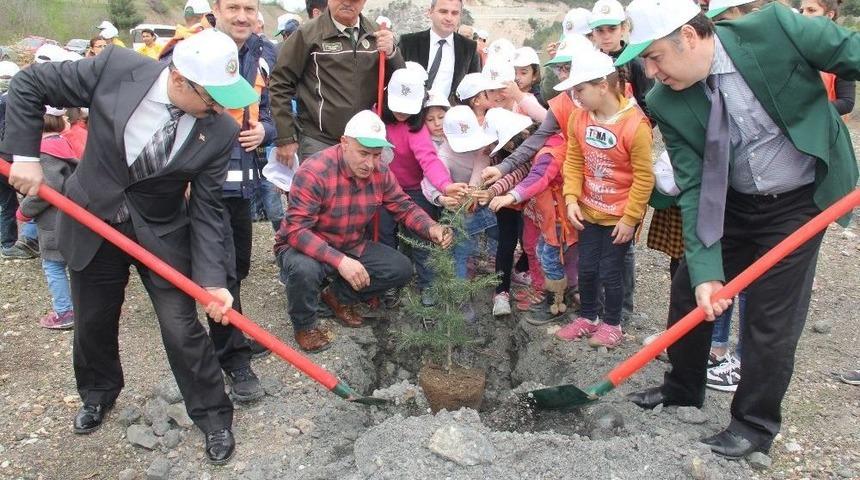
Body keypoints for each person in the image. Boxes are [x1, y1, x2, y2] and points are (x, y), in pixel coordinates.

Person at [2, 29, 259, 464]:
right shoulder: (116, 68)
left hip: (160, 232)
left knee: (182, 327)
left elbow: (208, 211)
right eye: (213, 98)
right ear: (179, 80)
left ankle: (214, 416)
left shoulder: (218, 132)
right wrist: (25, 156)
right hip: (91, 219)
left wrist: (214, 281)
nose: (220, 107)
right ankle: (99, 392)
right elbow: (29, 85)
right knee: (92, 321)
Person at [617, 0, 859, 459]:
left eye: (655, 57)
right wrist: (709, 270)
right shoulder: (666, 99)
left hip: (799, 202)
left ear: (689, 36)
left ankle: (753, 425)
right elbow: (692, 186)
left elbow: (853, 52)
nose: (651, 71)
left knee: (771, 317)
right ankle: (683, 387)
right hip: (731, 204)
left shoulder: (775, 29)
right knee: (691, 288)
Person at [275, 110, 454, 352]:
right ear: (344, 143)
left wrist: (431, 226)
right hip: (306, 246)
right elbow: (296, 230)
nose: (370, 163)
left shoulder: (380, 171)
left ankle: (337, 297)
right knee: (304, 269)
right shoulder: (314, 171)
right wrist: (340, 261)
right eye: (363, 153)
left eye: (376, 155)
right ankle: (305, 324)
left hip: (350, 242)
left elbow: (403, 207)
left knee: (399, 268)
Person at [553, 48, 653, 348]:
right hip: (588, 211)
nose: (576, 96)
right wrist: (571, 197)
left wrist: (630, 218)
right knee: (587, 268)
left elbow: (643, 177)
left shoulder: (636, 126)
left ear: (603, 86)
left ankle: (613, 324)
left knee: (611, 271)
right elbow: (573, 158)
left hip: (618, 217)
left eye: (580, 89)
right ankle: (588, 317)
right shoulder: (579, 118)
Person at [269, 0, 405, 164]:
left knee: (366, 191)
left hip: (365, 142)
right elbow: (280, 83)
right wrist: (285, 137)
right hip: (319, 141)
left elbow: (399, 84)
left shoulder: (377, 34)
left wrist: (392, 54)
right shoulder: (307, 34)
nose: (347, 3)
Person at [379, 68, 465, 307]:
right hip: (383, 190)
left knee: (422, 236)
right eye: (397, 105)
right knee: (384, 235)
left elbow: (429, 160)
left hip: (413, 189)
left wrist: (446, 186)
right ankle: (389, 286)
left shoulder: (415, 130)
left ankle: (428, 284)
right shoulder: (376, 117)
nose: (402, 112)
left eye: (409, 107)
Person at [18, 107, 78, 330]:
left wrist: (24, 210)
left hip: (54, 222)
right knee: (74, 266)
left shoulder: (44, 152)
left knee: (53, 266)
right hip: (71, 220)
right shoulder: (62, 144)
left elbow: (46, 189)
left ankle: (65, 312)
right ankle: (82, 307)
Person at [398, 0, 481, 100]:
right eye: (443, 11)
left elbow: (474, 86)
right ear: (430, 12)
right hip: (411, 111)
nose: (449, 18)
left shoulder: (469, 48)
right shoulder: (408, 43)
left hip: (449, 112)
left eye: (455, 13)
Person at [799, 0, 856, 117]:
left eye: (811, 10)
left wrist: (808, 112)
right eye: (801, 10)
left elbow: (847, 102)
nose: (803, 15)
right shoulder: (795, 45)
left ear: (829, 15)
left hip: (823, 127)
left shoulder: (841, 51)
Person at [0, 61, 21, 257]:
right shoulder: (13, 102)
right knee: (34, 197)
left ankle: (7, 243)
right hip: (10, 160)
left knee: (7, 203)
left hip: (5, 161)